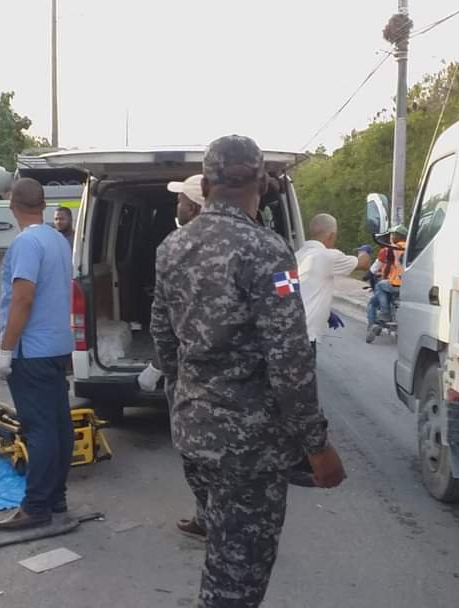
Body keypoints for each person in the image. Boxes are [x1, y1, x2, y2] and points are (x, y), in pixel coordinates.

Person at [150, 135, 345, 607]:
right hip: (248, 450)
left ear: (208, 179)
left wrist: (189, 395)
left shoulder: (172, 247)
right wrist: (315, 444)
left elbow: (163, 337)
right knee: (238, 578)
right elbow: (289, 357)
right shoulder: (268, 250)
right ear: (262, 182)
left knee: (222, 552)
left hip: (194, 434)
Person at [0, 178, 74, 531]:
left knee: (39, 429)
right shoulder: (57, 239)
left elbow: (23, 298)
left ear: (12, 204)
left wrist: (6, 350)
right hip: (57, 347)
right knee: (58, 426)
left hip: (32, 350)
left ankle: (36, 505)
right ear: (43, 204)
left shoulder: (26, 243)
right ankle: (56, 497)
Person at [139, 175, 208, 397]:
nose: (177, 207)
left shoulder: (173, 247)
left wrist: (163, 368)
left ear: (192, 207)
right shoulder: (257, 242)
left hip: (189, 377)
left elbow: (163, 323)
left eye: (180, 201)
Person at [294, 213, 372, 346]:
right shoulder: (328, 255)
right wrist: (364, 251)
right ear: (331, 235)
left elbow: (290, 289)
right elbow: (364, 264)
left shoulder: (296, 254)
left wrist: (324, 311)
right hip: (306, 335)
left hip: (288, 330)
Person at [366, 226, 407, 343]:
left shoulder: (393, 248)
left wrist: (383, 277)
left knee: (379, 288)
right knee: (383, 286)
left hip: (396, 283)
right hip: (408, 283)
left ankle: (384, 314)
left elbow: (387, 266)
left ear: (400, 236)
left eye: (393, 235)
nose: (391, 237)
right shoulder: (411, 247)